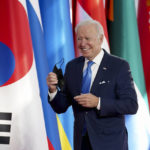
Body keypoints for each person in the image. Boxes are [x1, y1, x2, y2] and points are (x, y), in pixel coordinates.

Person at [46, 19, 138, 150]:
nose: (83, 44)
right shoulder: (72, 67)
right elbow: (61, 106)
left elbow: (131, 105)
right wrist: (53, 89)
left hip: (110, 143)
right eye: (79, 39)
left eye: (87, 38)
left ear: (100, 39)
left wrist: (98, 102)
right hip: (81, 142)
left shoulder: (119, 66)